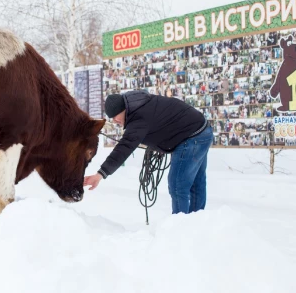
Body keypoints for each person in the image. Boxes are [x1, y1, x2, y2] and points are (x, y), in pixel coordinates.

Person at [83, 90, 213, 214]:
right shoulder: (138, 103)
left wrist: (100, 174)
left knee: (178, 185)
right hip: (202, 130)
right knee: (196, 182)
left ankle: (180, 228)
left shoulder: (138, 118)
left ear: (123, 109)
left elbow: (124, 147)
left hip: (192, 138)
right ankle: (196, 223)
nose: (115, 120)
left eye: (115, 116)